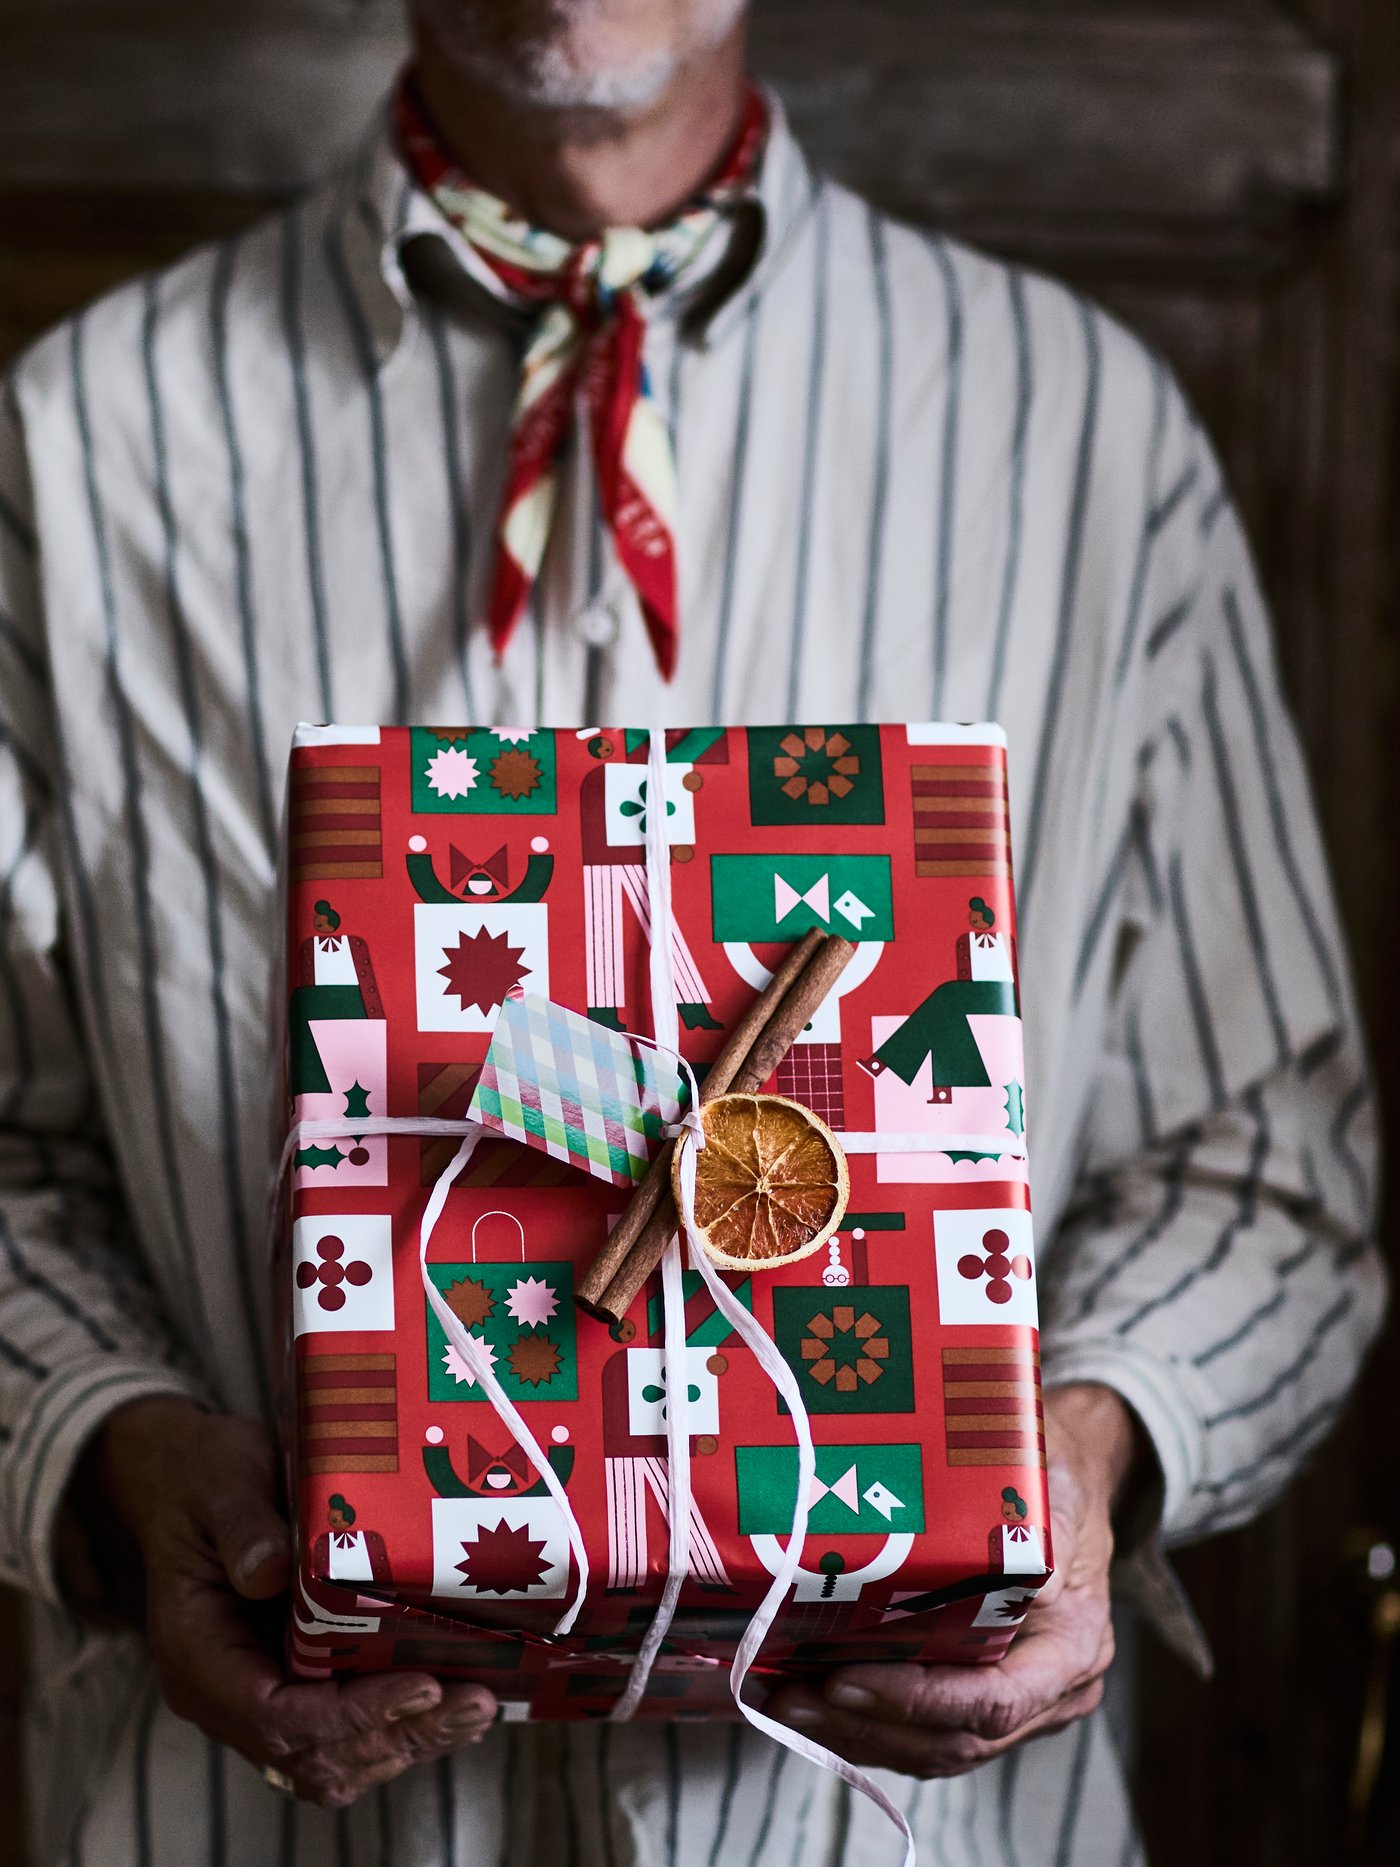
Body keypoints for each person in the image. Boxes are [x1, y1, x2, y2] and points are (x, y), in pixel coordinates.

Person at [0, 0, 1383, 1861]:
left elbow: (1266, 1157)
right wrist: (109, 1448)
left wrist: (1082, 1458)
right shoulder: (78, 445)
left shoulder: (1081, 437)